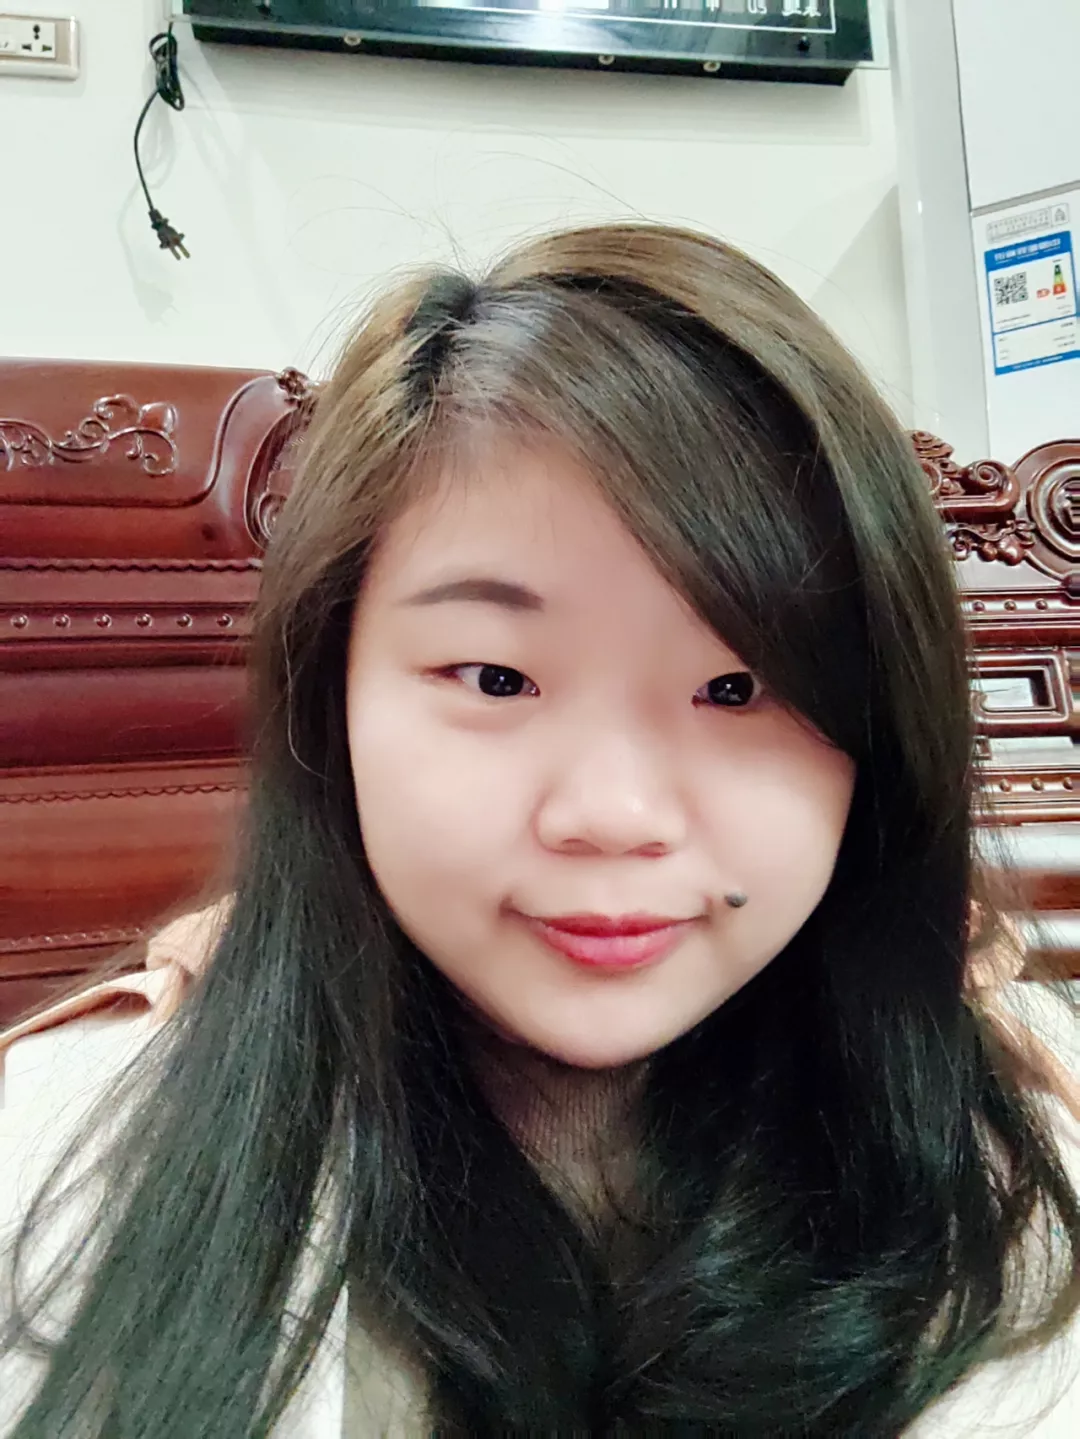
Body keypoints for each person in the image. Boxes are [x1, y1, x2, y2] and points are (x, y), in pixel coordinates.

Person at [1, 222, 1078, 1437]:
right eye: (497, 677)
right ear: (332, 689)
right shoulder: (54, 1168)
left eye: (738, 687)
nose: (612, 816)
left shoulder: (1028, 1144)